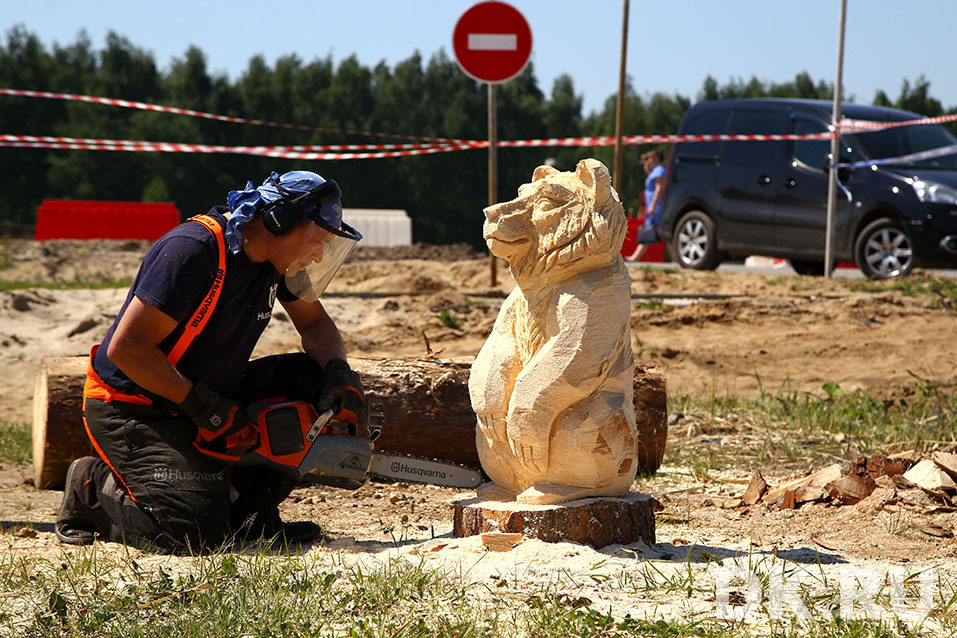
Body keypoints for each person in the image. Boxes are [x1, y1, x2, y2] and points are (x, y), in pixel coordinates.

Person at [55, 170, 369, 553]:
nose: (319, 253)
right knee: (192, 535)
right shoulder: (194, 250)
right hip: (136, 404)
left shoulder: (278, 262)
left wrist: (339, 371)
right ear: (278, 221)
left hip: (207, 394)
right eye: (316, 240)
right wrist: (206, 406)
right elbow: (129, 348)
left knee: (310, 378)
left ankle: (253, 515)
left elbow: (316, 324)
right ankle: (91, 487)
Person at [624, 149, 666, 262]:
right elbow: (648, 174)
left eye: (650, 158)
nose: (649, 161)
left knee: (662, 232)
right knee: (651, 231)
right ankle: (634, 258)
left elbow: (659, 188)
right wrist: (645, 163)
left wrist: (652, 205)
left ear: (657, 158)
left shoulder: (660, 170)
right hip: (654, 208)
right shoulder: (656, 171)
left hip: (656, 208)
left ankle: (634, 258)